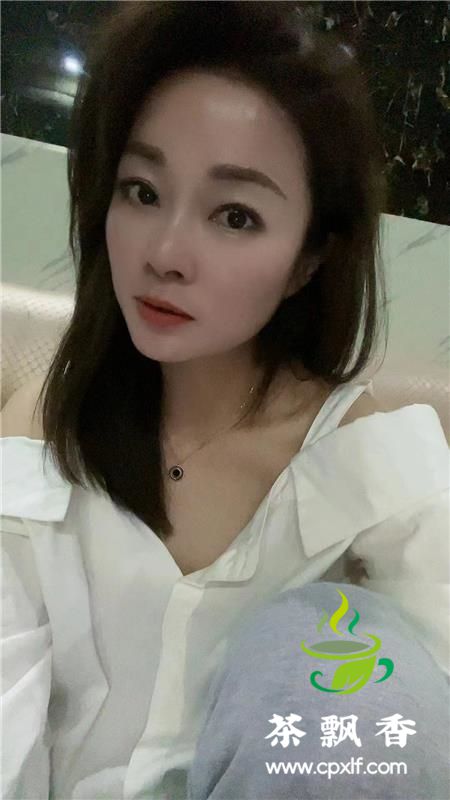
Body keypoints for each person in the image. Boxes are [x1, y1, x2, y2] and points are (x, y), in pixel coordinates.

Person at [1, 2, 448, 799]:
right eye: (141, 191)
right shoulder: (42, 436)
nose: (166, 253)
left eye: (235, 215)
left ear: (309, 257)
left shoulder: (372, 470)